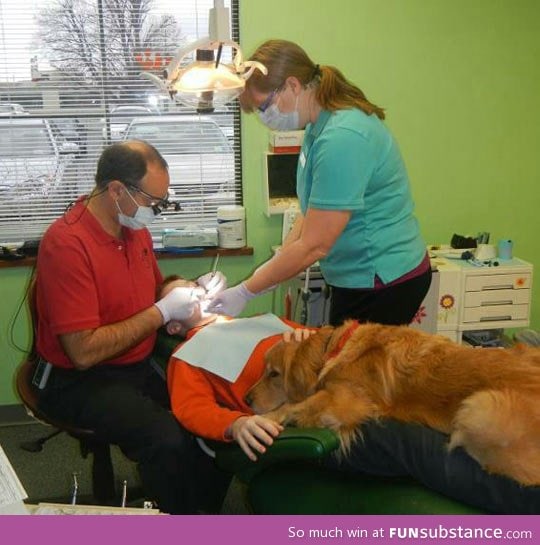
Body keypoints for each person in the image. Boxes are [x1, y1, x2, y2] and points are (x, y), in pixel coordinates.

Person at [164, 295, 540, 514]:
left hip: (344, 390)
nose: (197, 292)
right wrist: (235, 425)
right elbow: (190, 409)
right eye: (183, 293)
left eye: (200, 287)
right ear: (173, 326)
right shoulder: (186, 355)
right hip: (307, 418)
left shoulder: (263, 321)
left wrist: (309, 340)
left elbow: (333, 352)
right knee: (404, 439)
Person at [33, 140, 228, 514]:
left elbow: (153, 292)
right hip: (78, 378)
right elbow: (83, 351)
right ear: (117, 190)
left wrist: (183, 291)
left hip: (136, 362)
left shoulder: (134, 229)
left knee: (213, 412)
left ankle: (203, 515)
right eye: (153, 200)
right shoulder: (67, 244)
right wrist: (159, 313)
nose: (155, 210)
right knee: (167, 439)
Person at [207, 39, 431, 327]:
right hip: (355, 274)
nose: (264, 118)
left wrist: (247, 290)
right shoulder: (317, 126)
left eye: (264, 107)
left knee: (352, 369)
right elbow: (311, 209)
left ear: (292, 85)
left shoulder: (343, 137)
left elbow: (314, 246)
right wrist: (274, 271)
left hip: (382, 278)